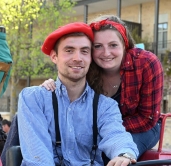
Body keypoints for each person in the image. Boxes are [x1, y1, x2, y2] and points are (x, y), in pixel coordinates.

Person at [18, 22, 139, 166]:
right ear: (54, 56)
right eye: (69, 50)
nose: (78, 58)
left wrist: (125, 154)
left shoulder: (105, 106)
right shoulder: (33, 98)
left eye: (84, 51)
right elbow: (37, 151)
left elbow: (115, 134)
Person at [41, 15, 164, 158]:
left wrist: (102, 129)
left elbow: (146, 118)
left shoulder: (147, 63)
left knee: (113, 158)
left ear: (124, 45)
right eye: (98, 46)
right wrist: (52, 84)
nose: (106, 53)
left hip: (142, 128)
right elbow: (68, 81)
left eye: (113, 45)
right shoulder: (86, 64)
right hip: (96, 129)